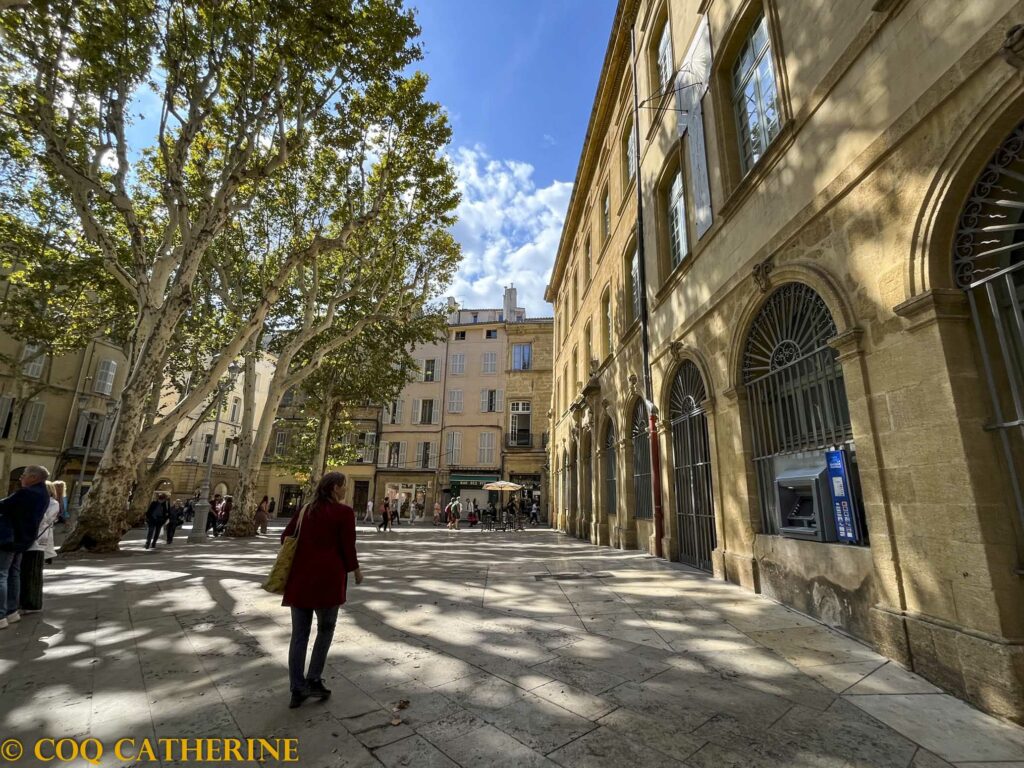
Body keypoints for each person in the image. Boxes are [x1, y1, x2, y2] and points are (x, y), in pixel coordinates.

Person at [281, 471, 362, 708]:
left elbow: (285, 538)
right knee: (325, 629)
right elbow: (348, 546)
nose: (345, 489)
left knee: (299, 635)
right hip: (327, 580)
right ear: (335, 488)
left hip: (300, 580)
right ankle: (314, 679)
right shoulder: (344, 513)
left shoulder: (305, 510)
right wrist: (356, 570)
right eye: (344, 485)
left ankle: (297, 688)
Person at [0, 465, 50, 629]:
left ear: (33, 477)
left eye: (24, 475)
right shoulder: (43, 494)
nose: (21, 477)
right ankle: (12, 612)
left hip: (9, 538)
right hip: (24, 539)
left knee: (2, 574)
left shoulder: (27, 493)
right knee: (13, 573)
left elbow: (4, 505)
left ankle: (1, 615)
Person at [19, 480, 60, 614]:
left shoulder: (53, 503)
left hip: (37, 541)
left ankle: (31, 604)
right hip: (28, 540)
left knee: (32, 573)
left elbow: (44, 520)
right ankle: (24, 602)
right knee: (24, 572)